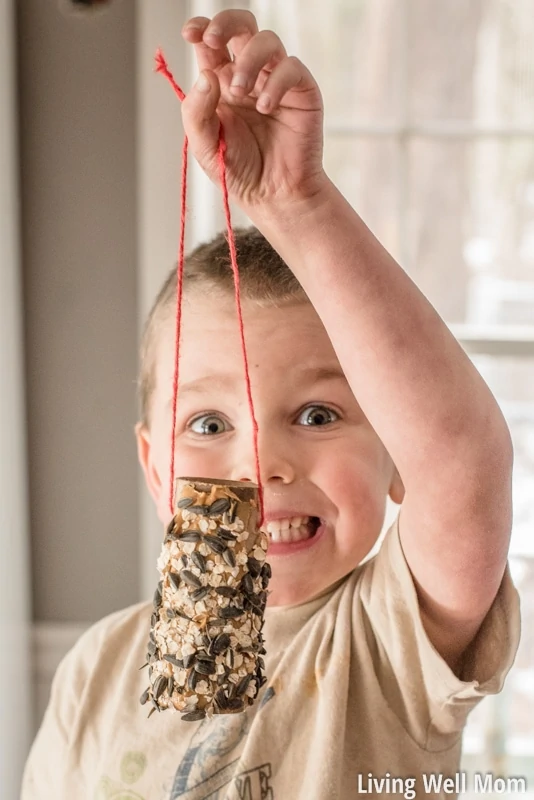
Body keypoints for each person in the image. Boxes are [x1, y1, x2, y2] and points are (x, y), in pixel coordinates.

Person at [22, 9, 520, 800]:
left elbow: (464, 463)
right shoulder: (97, 671)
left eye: (318, 415)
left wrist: (296, 203)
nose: (263, 463)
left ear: (393, 450)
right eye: (209, 424)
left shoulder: (388, 644)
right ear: (156, 468)